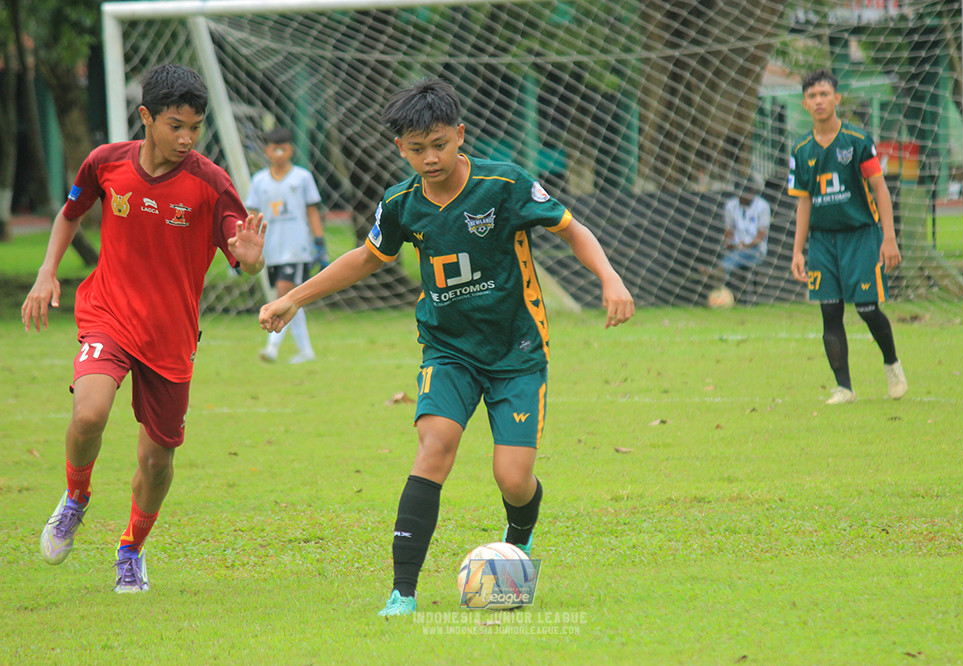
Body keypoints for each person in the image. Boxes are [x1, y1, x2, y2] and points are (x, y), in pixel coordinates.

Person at [258, 79, 634, 616]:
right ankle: (401, 593)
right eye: (416, 149)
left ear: (460, 135)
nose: (430, 158)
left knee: (513, 477)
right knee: (434, 447)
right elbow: (365, 258)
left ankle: (520, 534)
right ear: (400, 149)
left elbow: (571, 229)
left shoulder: (503, 184)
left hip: (517, 350)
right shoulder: (402, 204)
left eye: (439, 144)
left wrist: (610, 278)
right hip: (448, 349)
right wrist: (294, 297)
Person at [22, 63, 266, 592]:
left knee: (156, 461)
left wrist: (250, 259)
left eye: (195, 127)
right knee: (89, 414)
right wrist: (46, 273)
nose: (186, 138)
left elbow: (241, 251)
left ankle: (131, 548)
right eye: (175, 125)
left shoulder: (211, 183)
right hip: (108, 313)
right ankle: (76, 497)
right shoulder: (105, 163)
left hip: (172, 335)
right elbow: (71, 213)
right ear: (146, 117)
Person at [788, 69, 907, 405]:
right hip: (823, 242)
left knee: (868, 308)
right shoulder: (800, 149)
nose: (819, 101)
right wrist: (799, 251)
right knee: (830, 311)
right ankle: (844, 388)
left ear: (837, 99)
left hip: (861, 236)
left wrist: (889, 238)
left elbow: (880, 189)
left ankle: (892, 364)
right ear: (804, 104)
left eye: (824, 94)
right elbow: (804, 201)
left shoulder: (857, 141)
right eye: (812, 96)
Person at [246, 127, 325, 364]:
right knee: (291, 297)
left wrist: (319, 242)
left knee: (283, 292)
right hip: (272, 249)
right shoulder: (259, 180)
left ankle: (272, 348)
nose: (279, 153)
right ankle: (306, 351)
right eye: (274, 148)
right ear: (268, 150)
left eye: (284, 148)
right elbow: (252, 213)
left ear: (291, 149)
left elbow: (312, 211)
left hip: (297, 247)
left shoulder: (302, 177)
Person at [719, 178, 770, 283]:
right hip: (735, 247)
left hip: (755, 249)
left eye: (744, 194)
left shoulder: (763, 206)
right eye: (739, 195)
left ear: (752, 192)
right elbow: (729, 231)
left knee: (739, 255)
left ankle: (721, 270)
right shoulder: (730, 205)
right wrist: (729, 242)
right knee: (730, 254)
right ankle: (720, 276)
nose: (741, 198)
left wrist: (746, 245)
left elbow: (761, 235)